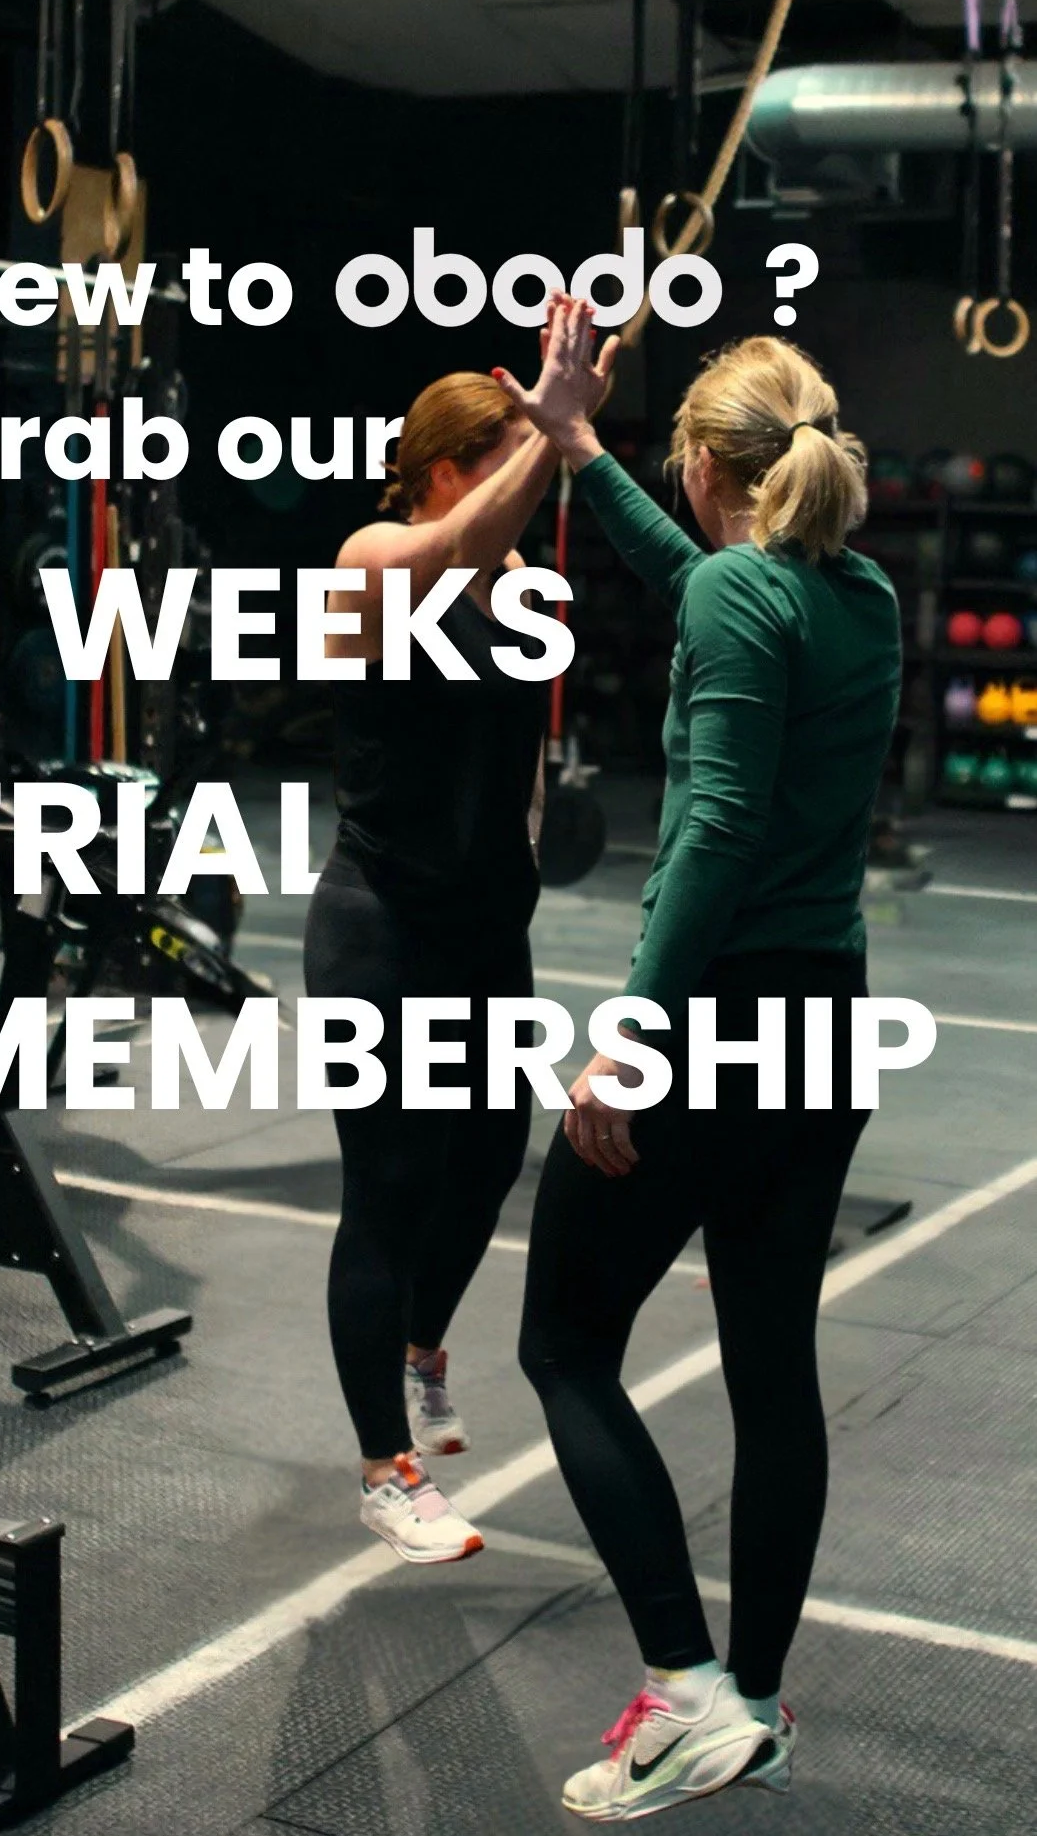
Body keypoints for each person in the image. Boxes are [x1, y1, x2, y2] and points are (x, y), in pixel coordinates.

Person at [497, 303, 902, 1819]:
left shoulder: (747, 593)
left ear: (706, 464)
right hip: (823, 1026)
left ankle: (681, 1689)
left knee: (562, 1344)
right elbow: (708, 586)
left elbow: (718, 827)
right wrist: (572, 437)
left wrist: (626, 1044)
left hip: (719, 1024)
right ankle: (755, 1702)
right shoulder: (852, 593)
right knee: (770, 1368)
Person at [304, 354, 610, 1563]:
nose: (525, 493)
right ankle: (386, 1471)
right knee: (389, 1188)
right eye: (505, 463)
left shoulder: (522, 580)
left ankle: (422, 1348)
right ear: (443, 473)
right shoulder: (374, 561)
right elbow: (452, 552)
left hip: (487, 925)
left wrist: (525, 856)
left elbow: (518, 744)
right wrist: (562, 425)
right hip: (382, 924)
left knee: (487, 1162)